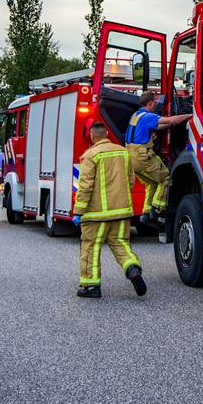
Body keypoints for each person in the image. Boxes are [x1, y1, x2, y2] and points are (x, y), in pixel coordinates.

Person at [73, 122, 145, 299]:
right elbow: (130, 181)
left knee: (90, 247)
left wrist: (78, 211)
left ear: (92, 136)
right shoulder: (123, 152)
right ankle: (132, 269)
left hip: (96, 215)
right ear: (106, 134)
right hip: (121, 212)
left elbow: (85, 186)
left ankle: (91, 287)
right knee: (120, 243)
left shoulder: (90, 155)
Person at [124, 91, 191, 221]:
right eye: (155, 102)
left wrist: (171, 124)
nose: (156, 104)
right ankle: (157, 209)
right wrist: (189, 115)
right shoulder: (147, 116)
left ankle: (146, 213)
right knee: (165, 177)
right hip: (142, 156)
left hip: (131, 158)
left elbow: (158, 126)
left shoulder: (136, 115)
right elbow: (170, 119)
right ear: (149, 103)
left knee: (151, 183)